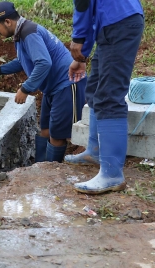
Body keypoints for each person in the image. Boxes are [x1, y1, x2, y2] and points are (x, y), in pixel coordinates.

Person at [0, 1, 86, 163]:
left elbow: (44, 63)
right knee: (44, 130)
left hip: (67, 84)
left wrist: (26, 88)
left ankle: (50, 173)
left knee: (56, 135)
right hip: (52, 87)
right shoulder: (21, 33)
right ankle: (39, 167)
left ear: (7, 22)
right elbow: (23, 61)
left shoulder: (29, 33)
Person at [66, 0, 144, 194]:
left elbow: (83, 4)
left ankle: (111, 174)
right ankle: (95, 152)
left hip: (119, 23)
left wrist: (78, 38)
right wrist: (81, 57)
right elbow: (94, 10)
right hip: (112, 22)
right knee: (94, 88)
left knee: (109, 96)